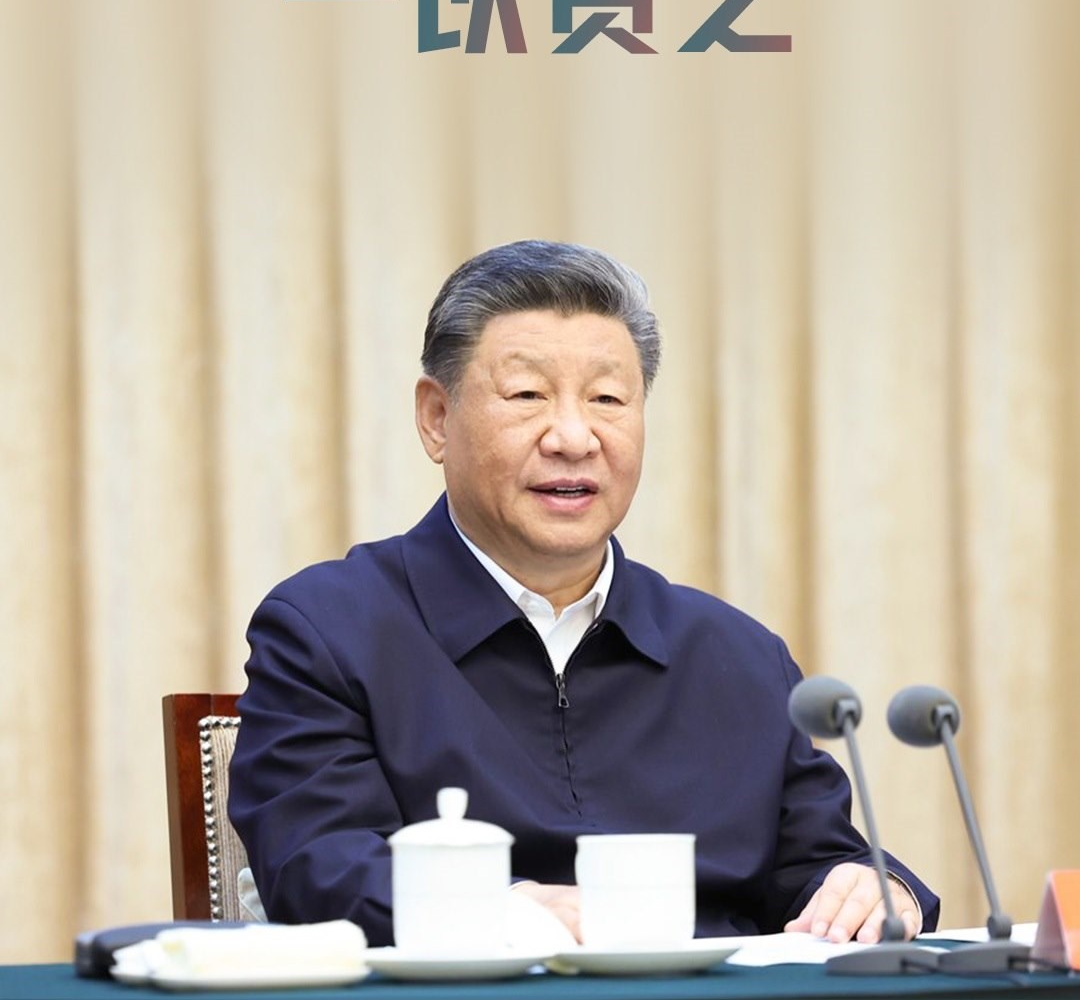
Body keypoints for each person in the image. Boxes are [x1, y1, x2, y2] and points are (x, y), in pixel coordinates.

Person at [228, 240, 937, 947]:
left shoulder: (739, 656)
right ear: (437, 418)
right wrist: (505, 914)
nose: (574, 437)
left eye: (607, 399)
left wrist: (875, 889)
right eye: (528, 395)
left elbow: (818, 865)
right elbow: (318, 866)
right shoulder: (329, 631)